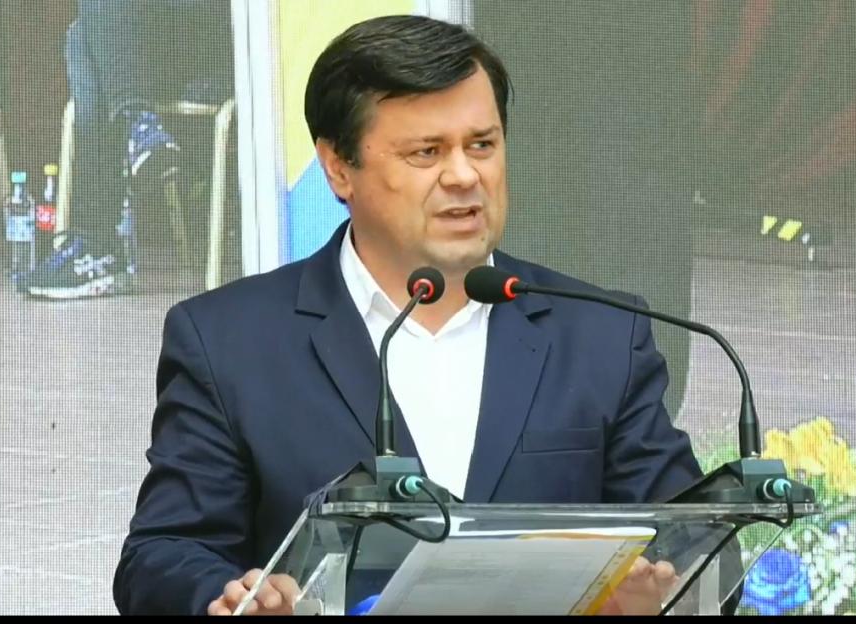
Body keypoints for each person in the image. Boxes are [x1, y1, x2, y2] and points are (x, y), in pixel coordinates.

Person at [113, 15, 705, 615]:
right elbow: (164, 554)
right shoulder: (229, 341)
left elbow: (688, 538)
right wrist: (232, 600)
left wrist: (665, 590)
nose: (465, 175)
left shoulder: (601, 334)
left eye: (482, 145)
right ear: (338, 168)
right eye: (427, 152)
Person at [16, 0, 233, 299]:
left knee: (89, 31)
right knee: (83, 35)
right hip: (147, 55)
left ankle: (98, 246)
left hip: (220, 46)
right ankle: (139, 125)